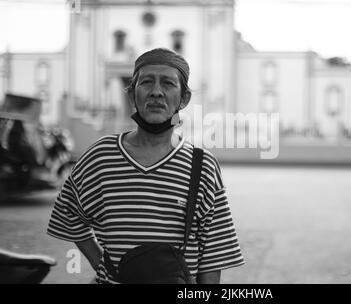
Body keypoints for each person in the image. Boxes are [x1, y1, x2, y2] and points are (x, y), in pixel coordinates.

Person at [47, 48, 244, 284]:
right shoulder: (101, 156)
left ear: (184, 99)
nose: (156, 92)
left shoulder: (202, 166)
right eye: (147, 82)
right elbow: (67, 213)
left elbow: (214, 252)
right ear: (133, 94)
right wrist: (102, 263)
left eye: (168, 83)